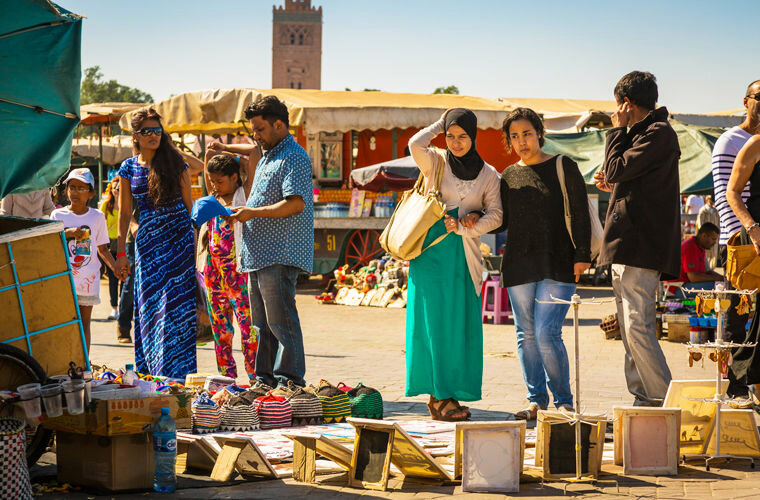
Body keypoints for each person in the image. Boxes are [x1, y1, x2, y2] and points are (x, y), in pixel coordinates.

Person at [491, 108, 591, 420]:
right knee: (525, 334)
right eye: (515, 136)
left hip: (558, 263)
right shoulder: (508, 176)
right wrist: (471, 216)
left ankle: (563, 401)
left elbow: (579, 212)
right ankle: (536, 400)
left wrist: (583, 255)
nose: (522, 141)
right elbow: (501, 221)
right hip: (519, 264)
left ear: (539, 134)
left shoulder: (563, 165)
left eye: (527, 134)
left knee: (547, 333)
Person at [406, 108, 502, 421]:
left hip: (464, 258)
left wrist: (467, 226)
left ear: (473, 137)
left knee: (459, 325)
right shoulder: (436, 162)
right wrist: (440, 121)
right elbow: (415, 145)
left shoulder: (489, 174)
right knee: (434, 325)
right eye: (451, 135)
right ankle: (438, 397)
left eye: (462, 136)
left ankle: (451, 394)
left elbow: (497, 215)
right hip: (430, 255)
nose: (456, 142)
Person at [594, 71, 680, 407]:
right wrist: (613, 185)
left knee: (637, 327)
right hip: (629, 245)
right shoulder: (646, 133)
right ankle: (643, 399)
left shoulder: (658, 133)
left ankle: (665, 403)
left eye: (618, 107)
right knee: (628, 332)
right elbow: (624, 177)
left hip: (640, 247)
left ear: (626, 104)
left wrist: (616, 132)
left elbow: (616, 168)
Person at [227, 96, 313, 388]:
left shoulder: (293, 156)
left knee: (281, 323)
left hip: (279, 254)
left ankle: (289, 381)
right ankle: (263, 381)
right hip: (258, 254)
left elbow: (296, 204)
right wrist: (244, 213)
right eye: (254, 129)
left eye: (260, 129)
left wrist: (252, 212)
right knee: (262, 327)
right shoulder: (266, 155)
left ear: (279, 125)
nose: (256, 135)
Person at [115, 108, 197, 379]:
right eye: (146, 131)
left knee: (178, 306)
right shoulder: (128, 168)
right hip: (148, 245)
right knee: (150, 305)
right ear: (135, 136)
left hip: (179, 242)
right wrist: (120, 253)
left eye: (157, 130)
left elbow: (189, 206)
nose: (153, 135)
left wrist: (196, 242)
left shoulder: (175, 163)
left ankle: (178, 376)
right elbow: (125, 212)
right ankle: (153, 372)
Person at [713, 79, 760, 398]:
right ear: (746, 101)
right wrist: (743, 235)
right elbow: (725, 192)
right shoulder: (732, 140)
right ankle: (737, 385)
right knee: (737, 314)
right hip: (742, 238)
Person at [201, 153, 258, 381]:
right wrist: (209, 154)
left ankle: (255, 379)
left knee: (249, 330)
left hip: (239, 275)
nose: (215, 186)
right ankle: (227, 380)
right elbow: (208, 165)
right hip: (214, 275)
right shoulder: (213, 198)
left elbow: (252, 158)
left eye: (220, 181)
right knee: (220, 330)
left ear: (235, 177)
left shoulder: (243, 194)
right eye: (212, 181)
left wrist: (226, 148)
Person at [51, 168, 118, 352]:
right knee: (64, 323)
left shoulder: (97, 217)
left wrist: (115, 269)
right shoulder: (57, 216)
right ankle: (63, 362)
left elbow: (103, 249)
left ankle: (84, 365)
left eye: (81, 188)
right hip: (63, 279)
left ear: (91, 193)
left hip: (88, 280)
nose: (75, 192)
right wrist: (67, 234)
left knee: (84, 323)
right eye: (72, 187)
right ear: (66, 190)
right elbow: (50, 244)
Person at [726, 119, 760, 400]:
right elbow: (732, 191)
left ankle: (741, 383)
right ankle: (739, 381)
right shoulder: (755, 144)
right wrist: (752, 227)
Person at [99, 178, 121, 320]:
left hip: (124, 243)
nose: (116, 190)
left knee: (126, 279)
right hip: (110, 244)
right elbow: (100, 222)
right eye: (114, 188)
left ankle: (124, 305)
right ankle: (114, 308)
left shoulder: (128, 204)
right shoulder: (107, 205)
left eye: (118, 188)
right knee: (113, 277)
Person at [679, 222, 722, 289]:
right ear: (704, 236)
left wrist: (722, 278)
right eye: (713, 239)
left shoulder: (700, 247)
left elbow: (707, 272)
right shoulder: (690, 247)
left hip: (688, 284)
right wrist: (717, 278)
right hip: (679, 286)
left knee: (721, 285)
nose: (715, 242)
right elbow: (693, 277)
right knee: (718, 287)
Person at [697, 195, 720, 269]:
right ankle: (706, 268)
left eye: (712, 199)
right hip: (706, 235)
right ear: (706, 200)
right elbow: (700, 223)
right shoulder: (703, 211)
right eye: (709, 199)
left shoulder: (715, 211)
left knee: (714, 251)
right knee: (706, 252)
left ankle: (712, 267)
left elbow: (718, 222)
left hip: (714, 235)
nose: (711, 201)